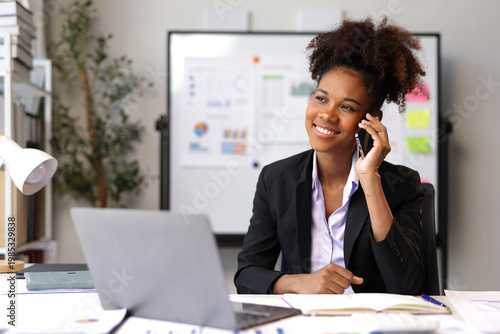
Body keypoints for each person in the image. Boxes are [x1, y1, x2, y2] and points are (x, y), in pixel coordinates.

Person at [234, 17, 426, 295]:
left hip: (371, 322)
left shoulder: (401, 184)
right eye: (321, 98)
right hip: (302, 321)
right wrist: (299, 282)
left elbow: (406, 286)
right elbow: (246, 276)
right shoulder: (276, 179)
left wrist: (370, 179)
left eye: (347, 107)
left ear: (371, 120)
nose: (326, 114)